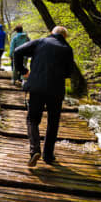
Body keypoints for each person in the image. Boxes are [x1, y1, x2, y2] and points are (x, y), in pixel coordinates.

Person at [13, 26, 74, 167]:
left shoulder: (40, 42)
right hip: (56, 90)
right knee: (53, 122)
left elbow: (17, 52)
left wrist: (23, 71)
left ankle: (35, 150)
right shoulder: (67, 48)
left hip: (36, 87)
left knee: (32, 120)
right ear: (64, 37)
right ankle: (48, 155)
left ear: (51, 33)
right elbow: (69, 73)